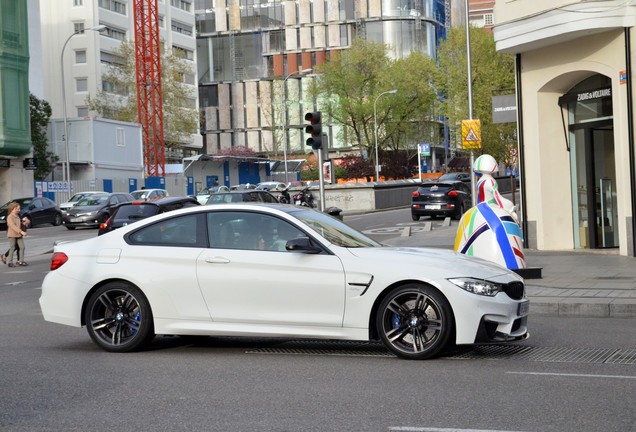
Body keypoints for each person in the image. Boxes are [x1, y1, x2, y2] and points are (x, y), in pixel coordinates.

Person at [6, 202, 28, 267]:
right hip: (12, 235)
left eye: (19, 208)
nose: (19, 210)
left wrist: (23, 222)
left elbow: (19, 225)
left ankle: (20, 261)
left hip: (18, 235)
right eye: (18, 209)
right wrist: (21, 232)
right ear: (13, 209)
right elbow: (13, 226)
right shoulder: (9, 217)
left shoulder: (17, 216)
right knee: (12, 248)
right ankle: (10, 262)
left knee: (22, 247)